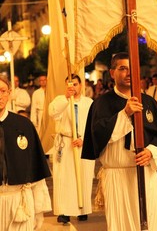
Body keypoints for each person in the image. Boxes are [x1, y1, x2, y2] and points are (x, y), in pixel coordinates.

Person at [82, 52, 157, 231]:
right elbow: (97, 136)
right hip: (117, 177)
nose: (128, 73)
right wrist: (124, 114)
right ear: (112, 72)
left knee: (149, 224)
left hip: (145, 174)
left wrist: (151, 152)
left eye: (131, 69)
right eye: (122, 69)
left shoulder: (148, 102)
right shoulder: (102, 103)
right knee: (120, 226)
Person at [0, 76, 51, 231]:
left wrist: (39, 208)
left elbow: (35, 167)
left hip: (20, 201)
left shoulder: (24, 125)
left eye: (2, 91)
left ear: (9, 93)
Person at [48, 74, 95, 224]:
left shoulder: (89, 103)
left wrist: (84, 139)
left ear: (81, 85)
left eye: (75, 84)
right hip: (65, 142)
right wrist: (66, 98)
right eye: (69, 85)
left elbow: (94, 124)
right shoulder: (60, 101)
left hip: (83, 143)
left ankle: (82, 209)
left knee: (83, 176)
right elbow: (53, 112)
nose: (72, 87)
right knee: (64, 178)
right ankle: (65, 211)